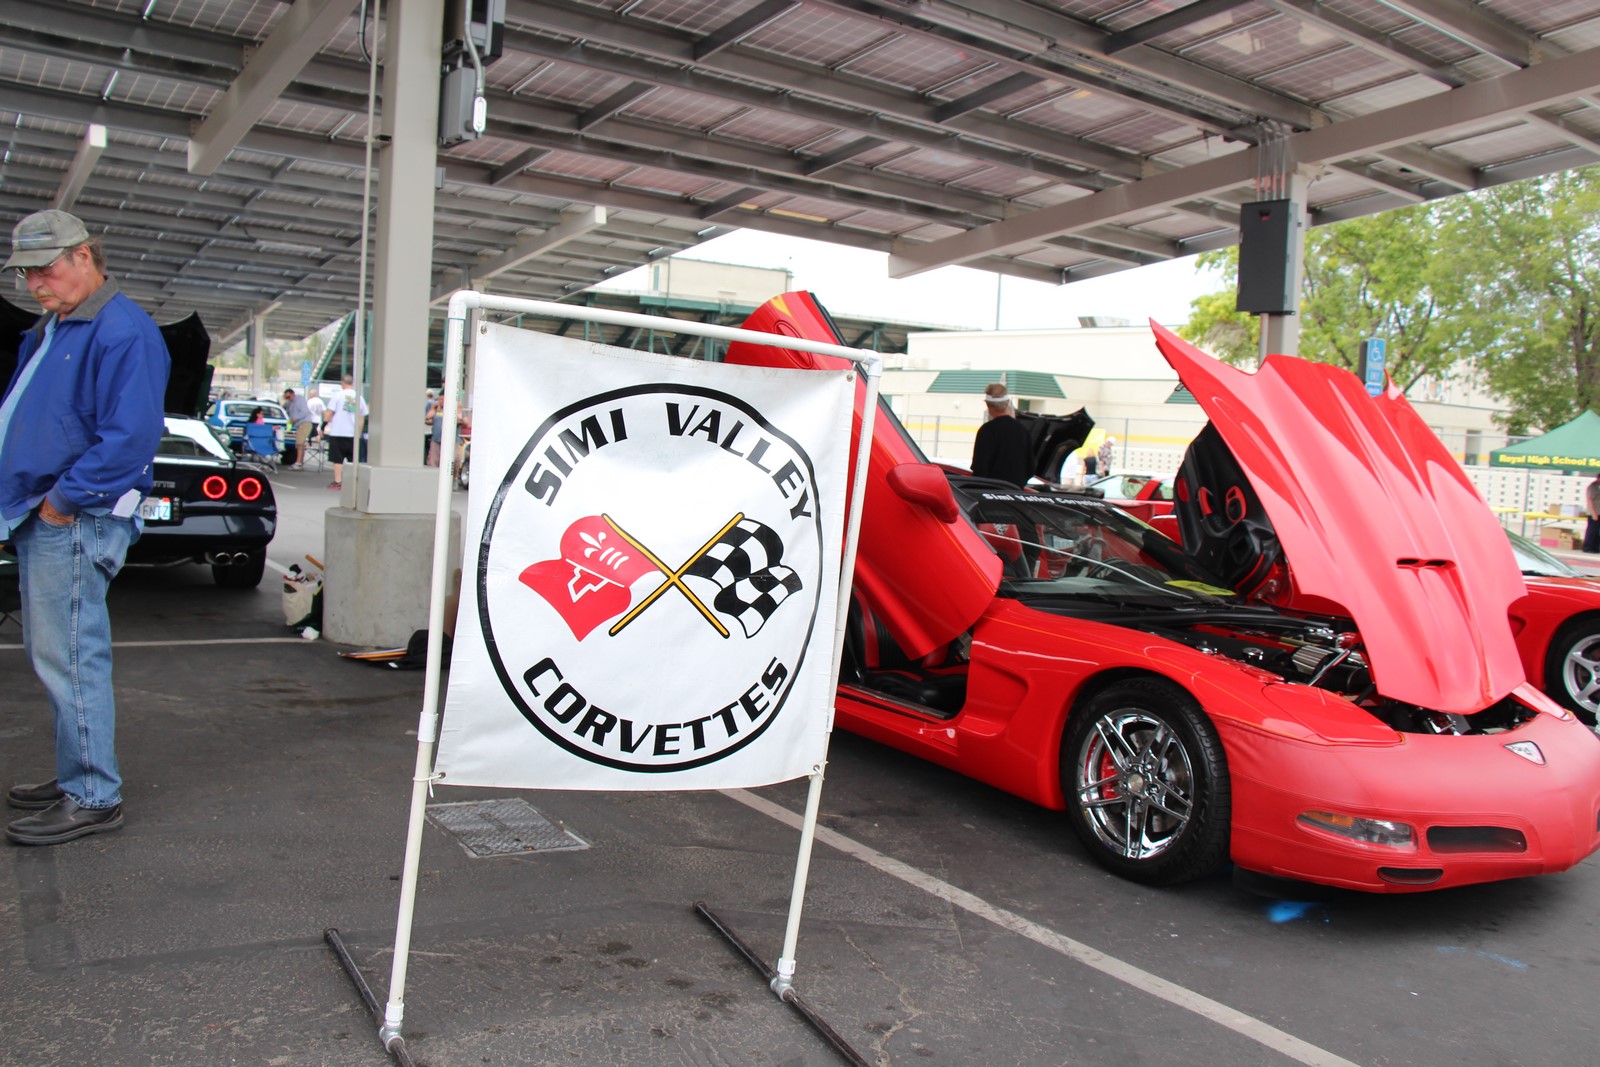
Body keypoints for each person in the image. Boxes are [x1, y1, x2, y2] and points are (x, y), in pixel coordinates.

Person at [0, 209, 168, 846]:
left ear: (83, 257)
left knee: (69, 657)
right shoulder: (60, 325)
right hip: (48, 512)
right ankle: (79, 775)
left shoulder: (120, 330)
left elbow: (129, 438)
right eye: (26, 275)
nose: (35, 285)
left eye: (44, 271)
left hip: (72, 516)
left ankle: (94, 794)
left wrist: (61, 502)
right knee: (59, 655)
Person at [970, 382, 1031, 488]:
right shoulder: (1022, 430)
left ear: (988, 405)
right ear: (1007, 403)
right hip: (1015, 494)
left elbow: (980, 467)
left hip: (991, 495)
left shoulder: (986, 431)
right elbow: (1030, 467)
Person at [323, 373, 367, 490]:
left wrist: (323, 426)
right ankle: (353, 482)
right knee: (353, 459)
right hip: (352, 433)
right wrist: (358, 432)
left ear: (342, 382)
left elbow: (329, 413)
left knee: (337, 459)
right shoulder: (359, 397)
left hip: (338, 431)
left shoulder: (337, 395)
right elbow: (362, 416)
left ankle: (338, 481)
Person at [282, 387, 314, 469]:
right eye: (286, 397)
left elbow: (304, 411)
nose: (287, 399)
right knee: (299, 443)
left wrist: (294, 418)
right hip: (298, 425)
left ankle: (298, 463)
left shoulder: (299, 400)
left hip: (304, 423)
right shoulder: (289, 403)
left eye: (288, 397)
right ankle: (299, 462)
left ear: (293, 394)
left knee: (300, 443)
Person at [1585, 472, 1600, 553]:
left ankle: (1595, 547)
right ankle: (1588, 547)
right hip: (1594, 513)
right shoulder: (1593, 487)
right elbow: (1590, 500)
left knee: (1597, 531)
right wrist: (1594, 513)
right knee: (1592, 531)